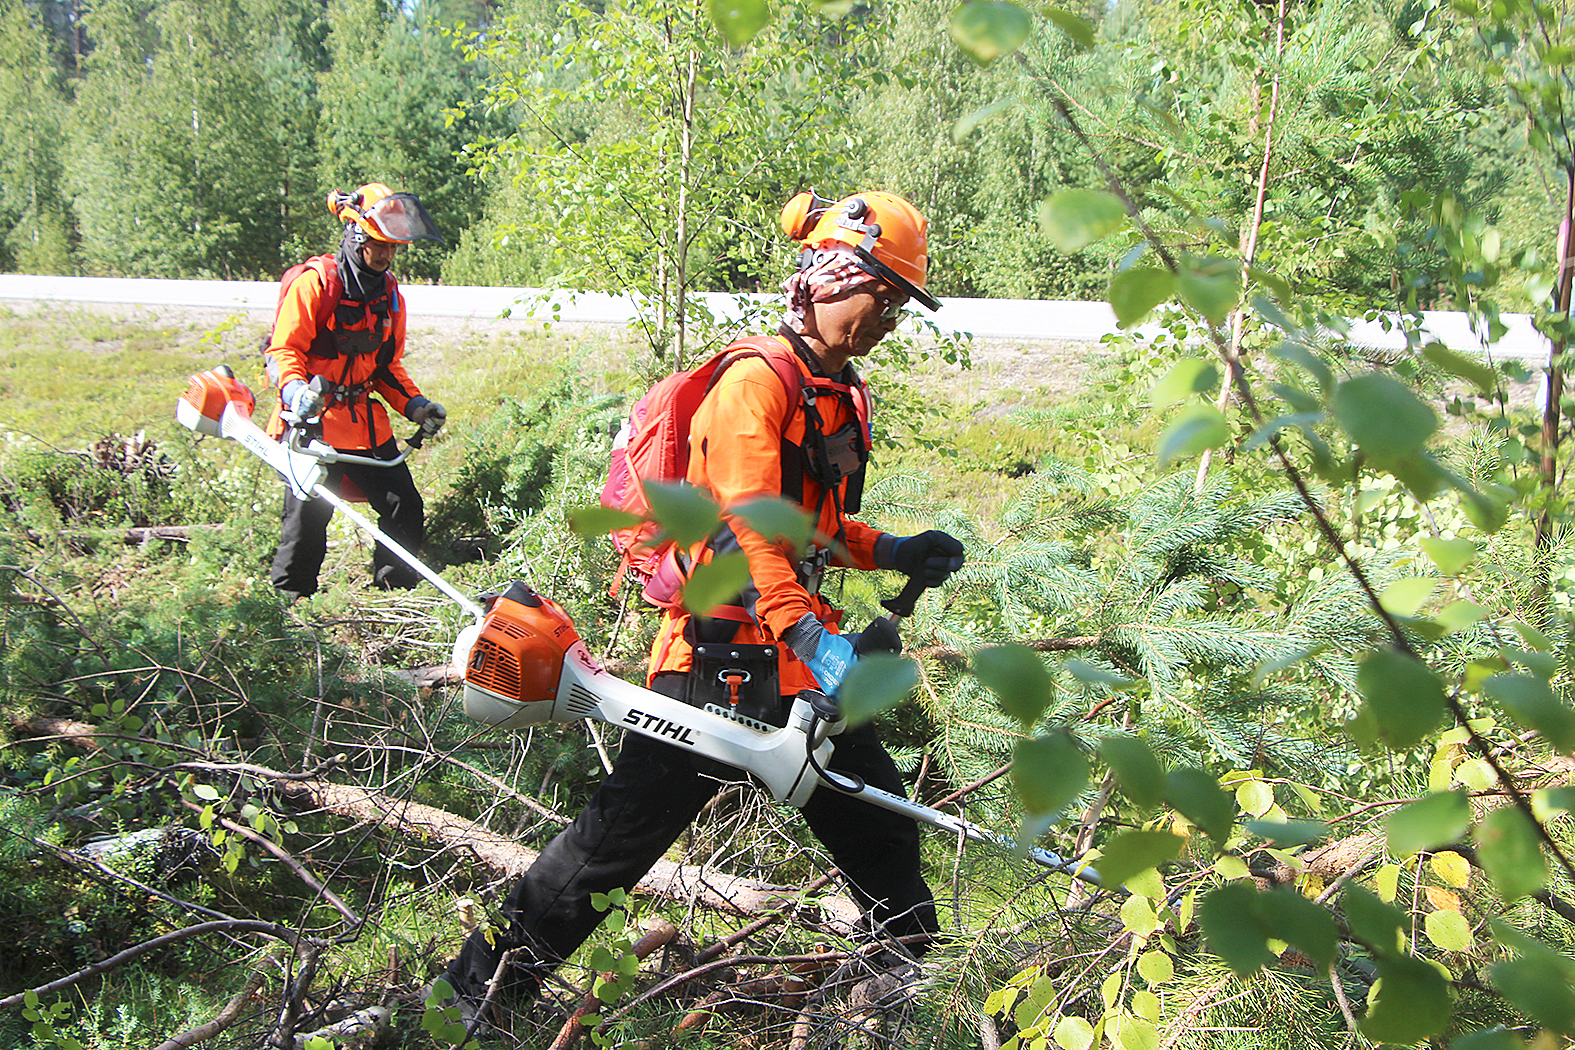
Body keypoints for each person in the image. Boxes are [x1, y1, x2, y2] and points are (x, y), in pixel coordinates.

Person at [438, 190, 967, 1019]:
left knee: (881, 828)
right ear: (829, 277)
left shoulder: (836, 390)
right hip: (715, 660)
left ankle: (905, 990)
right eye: (881, 294)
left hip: (797, 659)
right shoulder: (753, 382)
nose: (888, 317)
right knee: (610, 846)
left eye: (901, 302)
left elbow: (808, 526)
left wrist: (888, 550)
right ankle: (474, 995)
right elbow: (746, 523)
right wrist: (808, 631)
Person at [264, 182, 449, 601]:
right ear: (355, 235)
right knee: (308, 515)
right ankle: (292, 606)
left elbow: (386, 367)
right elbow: (283, 349)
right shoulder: (316, 284)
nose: (386, 255)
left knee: (403, 503)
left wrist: (416, 407)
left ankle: (394, 594)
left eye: (393, 248)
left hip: (364, 424)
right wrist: (295, 392)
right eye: (379, 245)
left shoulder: (389, 296)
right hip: (312, 423)